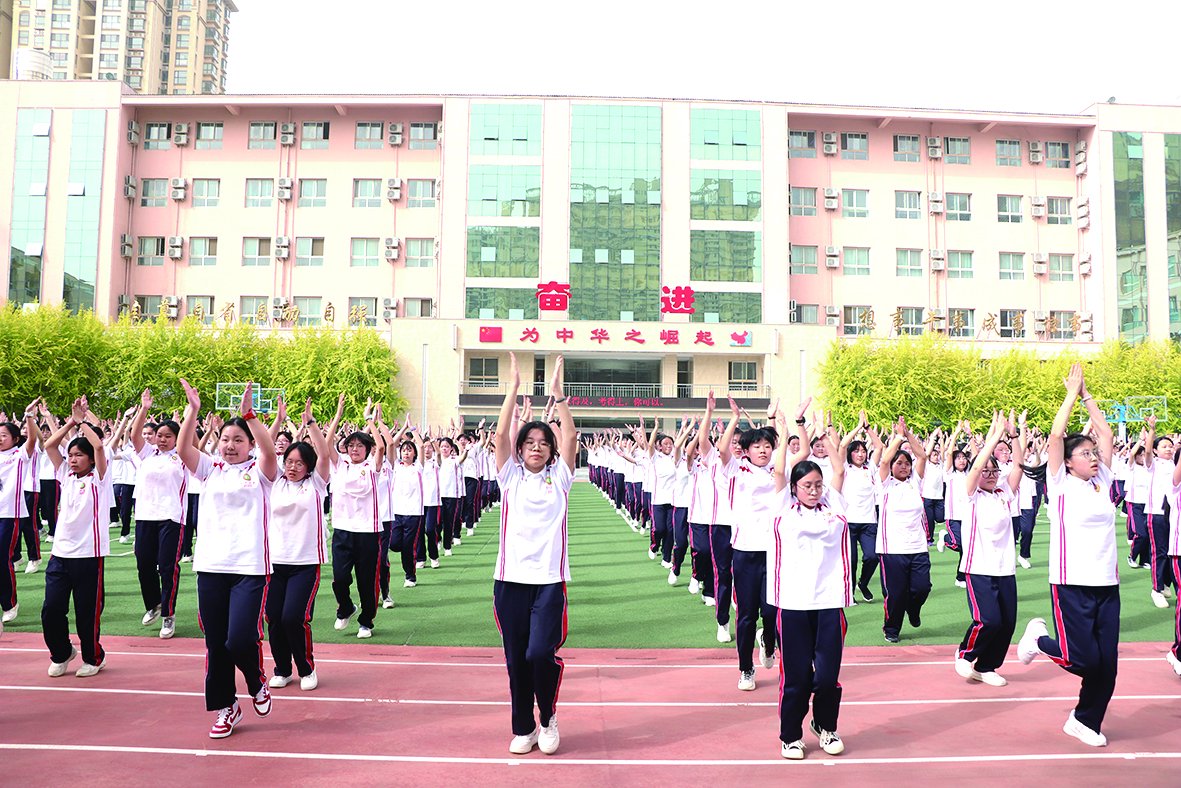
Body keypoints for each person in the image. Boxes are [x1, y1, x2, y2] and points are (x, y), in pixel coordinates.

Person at [1017, 363, 1120, 747]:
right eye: (1085, 453)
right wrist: (1070, 395)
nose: (1093, 457)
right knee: (1084, 660)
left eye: (1094, 453)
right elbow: (1057, 435)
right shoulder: (1060, 484)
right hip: (1071, 582)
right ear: (1069, 461)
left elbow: (1106, 432)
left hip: (1106, 583)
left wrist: (1088, 394)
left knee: (1107, 665)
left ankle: (1084, 721)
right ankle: (1039, 638)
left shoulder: (1101, 481)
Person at [176, 379, 278, 739]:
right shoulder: (210, 468)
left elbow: (270, 453)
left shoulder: (261, 473)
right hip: (211, 567)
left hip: (249, 568)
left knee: (239, 639)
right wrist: (193, 411)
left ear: (249, 444)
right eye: (225, 439)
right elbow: (183, 448)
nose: (230, 446)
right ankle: (226, 707)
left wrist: (250, 416)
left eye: (238, 440)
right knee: (216, 643)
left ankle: (256, 681)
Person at [492, 352, 576, 756]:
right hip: (509, 581)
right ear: (521, 449)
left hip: (548, 582)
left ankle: (549, 716)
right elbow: (499, 436)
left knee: (540, 652)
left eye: (543, 443)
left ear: (551, 450)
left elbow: (571, 438)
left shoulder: (560, 478)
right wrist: (512, 388)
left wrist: (558, 395)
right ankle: (524, 727)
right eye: (530, 443)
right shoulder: (509, 477)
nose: (536, 448)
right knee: (516, 660)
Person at [766, 402, 850, 760]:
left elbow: (839, 468)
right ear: (795, 488)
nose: (814, 490)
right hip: (794, 604)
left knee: (828, 676)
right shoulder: (782, 508)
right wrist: (788, 428)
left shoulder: (835, 506)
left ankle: (826, 727)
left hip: (830, 602)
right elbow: (780, 469)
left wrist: (823, 431)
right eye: (807, 486)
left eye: (818, 485)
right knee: (797, 677)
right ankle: (790, 735)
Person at [39, 398, 111, 676]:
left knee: (86, 613)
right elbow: (49, 445)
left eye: (78, 455)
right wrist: (70, 422)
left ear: (90, 459)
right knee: (51, 609)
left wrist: (83, 423)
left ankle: (94, 658)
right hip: (60, 555)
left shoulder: (100, 479)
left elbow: (100, 446)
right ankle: (62, 652)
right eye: (70, 455)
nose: (72, 460)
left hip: (89, 556)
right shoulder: (65, 475)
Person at [714, 394, 780, 691]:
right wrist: (734, 419)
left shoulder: (778, 469)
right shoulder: (736, 468)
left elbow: (790, 446)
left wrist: (774, 418)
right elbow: (722, 449)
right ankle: (745, 669)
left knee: (772, 611)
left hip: (774, 551)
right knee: (746, 615)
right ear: (747, 450)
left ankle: (768, 641)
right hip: (744, 551)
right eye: (757, 446)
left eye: (767, 446)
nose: (763, 450)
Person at [955, 411, 1027, 687]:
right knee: (989, 620)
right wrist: (994, 436)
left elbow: (1018, 466)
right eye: (985, 471)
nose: (990, 475)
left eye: (994, 471)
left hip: (1004, 568)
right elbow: (975, 468)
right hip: (979, 567)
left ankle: (986, 667)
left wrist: (1014, 434)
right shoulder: (971, 495)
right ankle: (965, 654)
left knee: (1007, 623)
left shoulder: (1003, 493)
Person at [267, 399, 330, 692]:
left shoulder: (316, 484)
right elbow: (265, 449)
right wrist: (278, 421)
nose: (292, 467)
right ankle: (282, 669)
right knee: (273, 618)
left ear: (308, 466)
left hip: (305, 563)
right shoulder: (273, 482)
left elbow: (325, 454)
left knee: (294, 617)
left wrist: (311, 423)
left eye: (299, 463)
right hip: (274, 562)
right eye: (289, 462)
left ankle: (306, 669)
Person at [128, 389, 187, 639]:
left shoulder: (183, 456)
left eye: (168, 436)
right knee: (144, 564)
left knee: (167, 567)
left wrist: (189, 416)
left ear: (177, 438)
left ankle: (168, 615)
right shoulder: (147, 453)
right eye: (159, 435)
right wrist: (144, 409)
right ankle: (154, 604)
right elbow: (134, 435)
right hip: (145, 516)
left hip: (171, 517)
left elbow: (194, 445)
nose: (162, 440)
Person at [325, 395, 384, 637]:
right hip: (343, 530)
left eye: (360, 446)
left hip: (368, 531)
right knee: (339, 577)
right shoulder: (340, 465)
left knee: (366, 580)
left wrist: (369, 420)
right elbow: (326, 445)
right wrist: (338, 415)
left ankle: (366, 621)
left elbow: (381, 447)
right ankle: (346, 607)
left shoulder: (372, 467)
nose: (355, 449)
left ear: (367, 449)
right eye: (351, 446)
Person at [876, 417, 931, 643]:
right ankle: (892, 628)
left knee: (922, 588)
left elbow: (922, 456)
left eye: (907, 464)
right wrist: (898, 437)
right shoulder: (884, 484)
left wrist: (909, 436)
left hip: (917, 546)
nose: (904, 466)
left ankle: (913, 609)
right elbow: (883, 461)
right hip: (892, 549)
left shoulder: (914, 482)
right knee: (896, 593)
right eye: (899, 463)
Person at [0, 400, 39, 627]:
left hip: (9, 514)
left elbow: (32, 441)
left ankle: (9, 604)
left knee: (2, 557)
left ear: (15, 439)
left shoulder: (19, 455)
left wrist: (29, 416)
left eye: (4, 435)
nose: (0, 438)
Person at [842, 411, 878, 603]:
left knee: (872, 556)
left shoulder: (870, 467)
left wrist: (868, 428)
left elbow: (879, 446)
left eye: (863, 451)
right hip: (849, 521)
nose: (860, 454)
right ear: (850, 454)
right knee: (851, 559)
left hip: (868, 521)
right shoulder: (844, 468)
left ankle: (863, 583)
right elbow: (841, 445)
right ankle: (849, 593)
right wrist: (857, 427)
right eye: (856, 451)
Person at [1143, 418, 1177, 608]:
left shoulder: (1175, 465)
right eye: (1164, 446)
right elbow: (1147, 451)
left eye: (1170, 446)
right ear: (1156, 450)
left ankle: (1166, 584)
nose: (1168, 449)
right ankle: (1156, 589)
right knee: (1160, 552)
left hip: (1174, 515)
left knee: (1173, 552)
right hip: (1156, 513)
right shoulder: (1153, 464)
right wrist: (1152, 430)